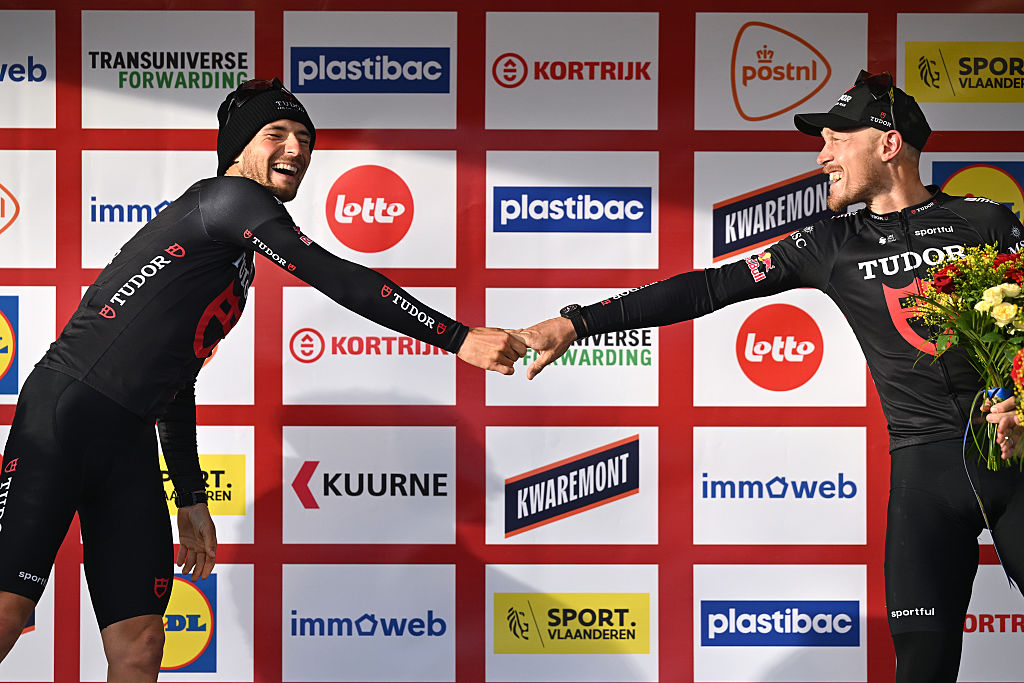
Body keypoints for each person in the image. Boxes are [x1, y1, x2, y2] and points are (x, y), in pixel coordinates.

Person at [0, 77, 525, 681]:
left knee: (141, 645)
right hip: (66, 413)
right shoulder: (227, 201)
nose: (296, 150)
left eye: (306, 139)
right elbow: (335, 275)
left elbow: (177, 378)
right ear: (237, 148)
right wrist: (459, 338)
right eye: (276, 134)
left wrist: (192, 496)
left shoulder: (235, 253)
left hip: (128, 437)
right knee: (8, 610)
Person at [518, 70, 1024, 682]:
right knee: (922, 666)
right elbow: (707, 287)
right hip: (924, 478)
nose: (823, 155)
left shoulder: (988, 222)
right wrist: (577, 323)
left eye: (838, 139)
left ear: (888, 144)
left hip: (1015, 461)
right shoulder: (831, 241)